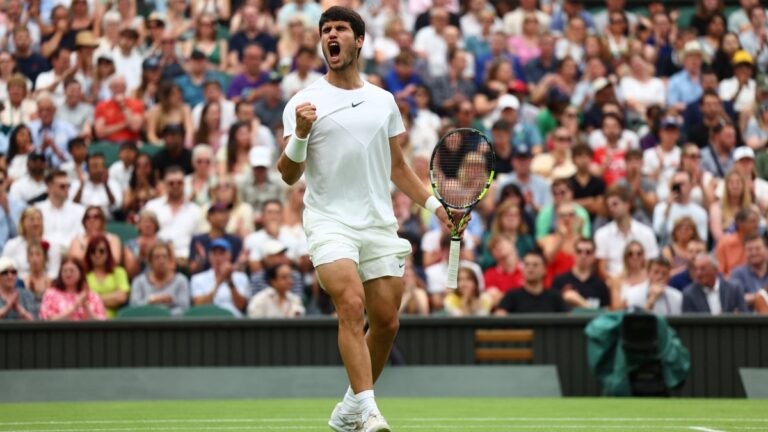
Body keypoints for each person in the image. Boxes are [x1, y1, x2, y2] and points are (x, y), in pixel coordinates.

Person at [276, 7, 457, 432]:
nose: (330, 36)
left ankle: (349, 408)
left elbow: (398, 168)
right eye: (325, 31)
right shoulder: (302, 103)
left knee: (388, 321)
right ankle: (371, 411)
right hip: (329, 223)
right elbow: (287, 175)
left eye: (339, 29)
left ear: (358, 41)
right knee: (351, 305)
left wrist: (436, 208)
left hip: (378, 223)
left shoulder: (384, 101)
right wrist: (301, 134)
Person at [595, 185, 659, 278]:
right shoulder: (601, 234)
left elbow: (651, 263)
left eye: (615, 204)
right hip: (614, 284)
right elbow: (602, 269)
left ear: (627, 205)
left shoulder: (646, 232)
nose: (611, 209)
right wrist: (616, 283)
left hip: (642, 282)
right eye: (609, 206)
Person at [144, 166, 203, 265]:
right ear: (164, 184)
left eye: (179, 183)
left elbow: (200, 240)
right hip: (157, 258)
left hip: (186, 259)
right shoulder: (152, 207)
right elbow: (144, 235)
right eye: (171, 183)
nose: (175, 186)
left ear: (184, 184)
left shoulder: (196, 210)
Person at [190, 238, 249, 317]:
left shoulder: (241, 277)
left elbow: (241, 306)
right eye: (214, 253)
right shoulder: (197, 278)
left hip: (234, 323)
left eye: (222, 253)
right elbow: (199, 306)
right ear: (209, 257)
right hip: (207, 322)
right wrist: (218, 283)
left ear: (229, 256)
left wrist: (230, 282)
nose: (218, 258)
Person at [494, 251, 568, 314]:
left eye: (535, 265)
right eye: (526, 264)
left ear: (544, 270)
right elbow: (499, 319)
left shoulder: (554, 297)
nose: (530, 268)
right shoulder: (512, 296)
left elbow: (568, 320)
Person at [129, 242, 190, 316]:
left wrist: (165, 312)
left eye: (164, 257)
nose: (161, 261)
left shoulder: (181, 280)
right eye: (157, 257)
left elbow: (184, 308)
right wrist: (151, 301)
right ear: (150, 262)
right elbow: (134, 307)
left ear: (170, 260)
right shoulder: (139, 281)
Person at [552, 237, 611, 310]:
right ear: (573, 254)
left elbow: (605, 311)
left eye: (588, 252)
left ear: (594, 256)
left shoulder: (600, 284)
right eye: (579, 251)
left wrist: (578, 301)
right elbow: (553, 309)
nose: (583, 256)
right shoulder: (559, 281)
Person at [39, 257, 106, 321]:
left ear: (80, 273)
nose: (68, 274)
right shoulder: (50, 294)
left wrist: (85, 306)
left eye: (72, 270)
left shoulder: (92, 296)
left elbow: (101, 324)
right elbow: (47, 321)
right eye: (65, 270)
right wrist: (74, 307)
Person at [653, 170, 710, 244]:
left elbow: (703, 240)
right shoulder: (661, 208)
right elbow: (658, 232)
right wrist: (668, 207)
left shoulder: (700, 212)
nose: (678, 187)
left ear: (691, 186)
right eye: (675, 184)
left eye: (682, 184)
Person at [683, 253, 748, 314]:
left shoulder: (734, 289)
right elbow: (688, 323)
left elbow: (744, 316)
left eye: (703, 269)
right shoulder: (689, 294)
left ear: (715, 270)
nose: (698, 273)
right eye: (696, 269)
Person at [188, 202, 244, 274]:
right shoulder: (198, 241)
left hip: (228, 281)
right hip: (203, 282)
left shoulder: (235, 241)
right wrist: (201, 260)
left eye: (227, 212)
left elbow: (239, 271)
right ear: (210, 217)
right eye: (221, 212)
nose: (225, 216)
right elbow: (192, 270)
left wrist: (240, 264)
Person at [70, 153, 123, 218]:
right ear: (88, 169)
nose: (97, 170)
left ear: (104, 168)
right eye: (94, 166)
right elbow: (72, 204)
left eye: (99, 166)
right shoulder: (78, 183)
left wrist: (106, 186)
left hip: (106, 221)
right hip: (81, 220)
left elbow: (116, 206)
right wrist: (81, 186)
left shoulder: (113, 184)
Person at [714, 208, 760, 277]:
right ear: (739, 223)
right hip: (730, 282)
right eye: (753, 222)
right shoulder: (724, 243)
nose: (757, 226)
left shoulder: (762, 243)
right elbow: (719, 271)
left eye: (757, 222)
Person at [730, 235, 768, 311]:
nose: (754, 253)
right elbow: (735, 299)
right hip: (748, 320)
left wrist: (752, 298)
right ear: (745, 252)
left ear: (766, 250)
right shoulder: (738, 273)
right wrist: (761, 296)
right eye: (749, 250)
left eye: (758, 249)